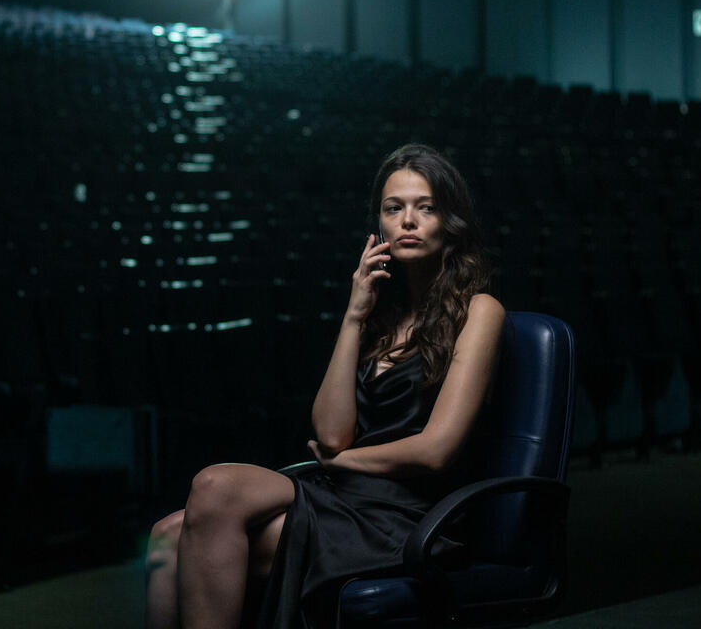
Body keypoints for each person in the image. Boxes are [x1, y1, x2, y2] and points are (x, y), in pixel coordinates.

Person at [145, 143, 505, 629]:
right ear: (379, 224)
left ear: (451, 220)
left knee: (211, 491)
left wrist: (344, 462)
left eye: (426, 207)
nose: (408, 221)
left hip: (408, 514)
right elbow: (332, 434)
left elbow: (436, 451)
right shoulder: (381, 313)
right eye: (393, 208)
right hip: (345, 495)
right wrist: (355, 315)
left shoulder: (479, 310)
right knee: (166, 537)